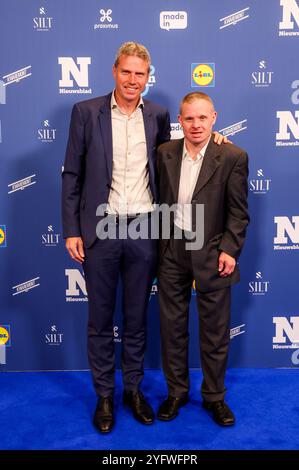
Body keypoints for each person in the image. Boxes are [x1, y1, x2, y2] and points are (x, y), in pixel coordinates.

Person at [62, 42, 227, 434]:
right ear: (114, 71)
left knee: (136, 319)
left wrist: (216, 140)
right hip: (100, 228)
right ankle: (104, 395)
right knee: (100, 320)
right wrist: (71, 229)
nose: (133, 80)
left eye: (140, 74)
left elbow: (180, 151)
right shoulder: (85, 113)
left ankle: (132, 391)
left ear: (147, 77)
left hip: (145, 230)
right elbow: (72, 175)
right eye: (127, 72)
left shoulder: (158, 114)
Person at [156, 92, 249, 426]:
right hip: (171, 252)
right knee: (172, 330)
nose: (196, 125)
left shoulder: (233, 156)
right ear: (179, 122)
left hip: (212, 252)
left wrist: (230, 249)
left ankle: (214, 397)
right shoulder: (164, 153)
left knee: (215, 331)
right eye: (189, 118)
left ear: (214, 118)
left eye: (202, 118)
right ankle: (176, 392)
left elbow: (239, 213)